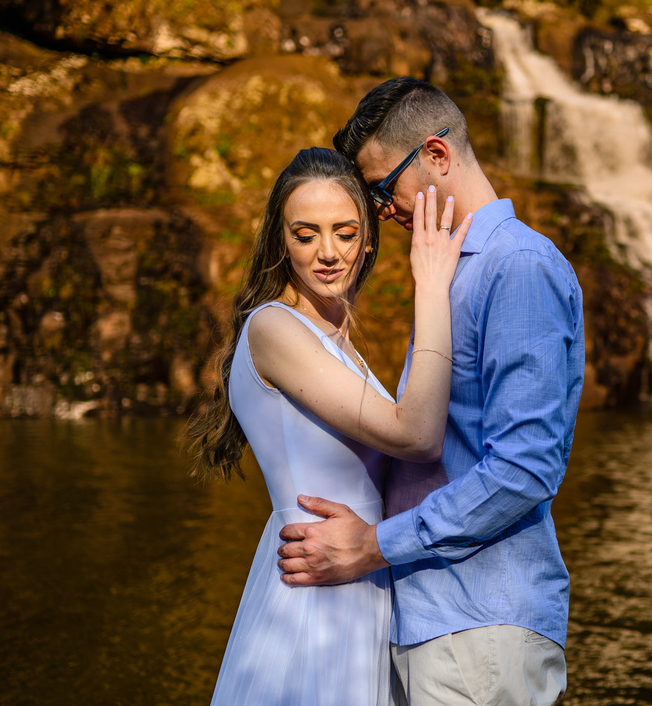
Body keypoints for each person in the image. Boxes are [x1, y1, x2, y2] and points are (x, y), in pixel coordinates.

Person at [276, 78, 585, 706]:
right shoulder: (449, 270)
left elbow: (526, 469)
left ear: (437, 156)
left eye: (385, 188)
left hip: (482, 626)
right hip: (435, 622)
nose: (382, 210)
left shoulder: (517, 265)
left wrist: (373, 546)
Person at [183, 146, 471, 705]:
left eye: (344, 231)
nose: (328, 253)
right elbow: (416, 434)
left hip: (357, 573)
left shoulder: (335, 342)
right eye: (305, 234)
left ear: (367, 239)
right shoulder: (274, 328)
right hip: (316, 596)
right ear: (280, 241)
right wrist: (432, 285)